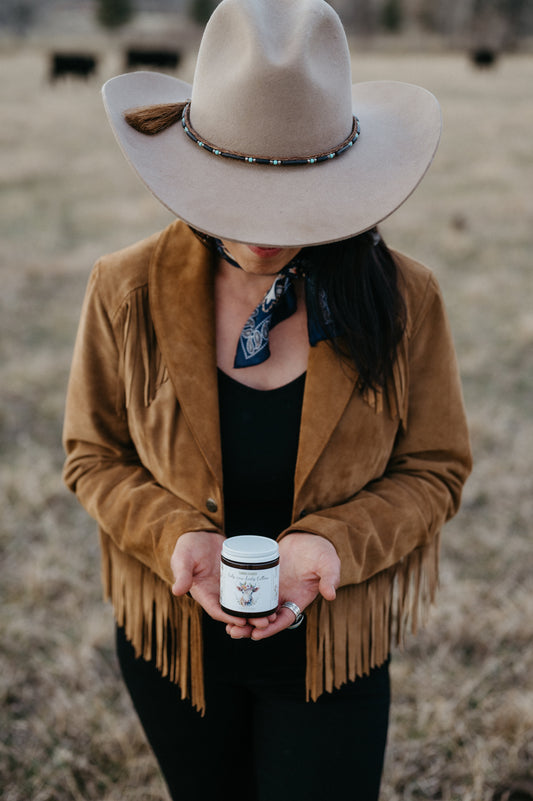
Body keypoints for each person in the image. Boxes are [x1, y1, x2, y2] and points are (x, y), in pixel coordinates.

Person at [62, 0, 472, 798]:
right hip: (171, 640)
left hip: (330, 650)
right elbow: (92, 453)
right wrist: (174, 534)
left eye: (293, 198)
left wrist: (333, 544)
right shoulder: (123, 288)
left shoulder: (405, 298)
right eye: (234, 192)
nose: (262, 229)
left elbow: (434, 466)